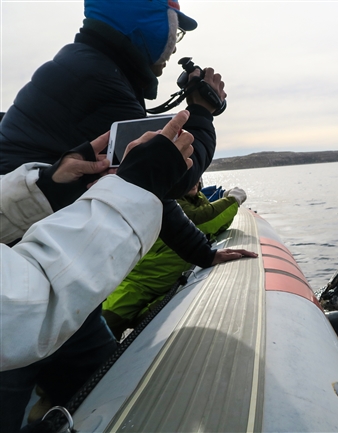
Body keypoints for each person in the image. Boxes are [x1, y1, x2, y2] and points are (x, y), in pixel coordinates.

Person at [0, 112, 257, 431]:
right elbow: (15, 311)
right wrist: (137, 187)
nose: (168, 58)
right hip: (24, 331)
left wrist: (48, 186)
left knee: (116, 390)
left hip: (76, 312)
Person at [0, 0, 223, 269]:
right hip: (23, 260)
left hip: (30, 241)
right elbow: (172, 174)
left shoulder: (89, 65)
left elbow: (143, 179)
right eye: (172, 32)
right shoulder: (99, 80)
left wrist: (203, 253)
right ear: (145, 25)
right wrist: (201, 112)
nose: (174, 47)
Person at [102, 182, 248, 339]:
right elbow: (203, 221)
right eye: (186, 178)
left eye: (196, 177)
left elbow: (217, 225)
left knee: (150, 322)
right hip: (139, 282)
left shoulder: (199, 200)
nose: (193, 182)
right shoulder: (172, 202)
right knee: (106, 323)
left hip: (170, 286)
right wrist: (231, 201)